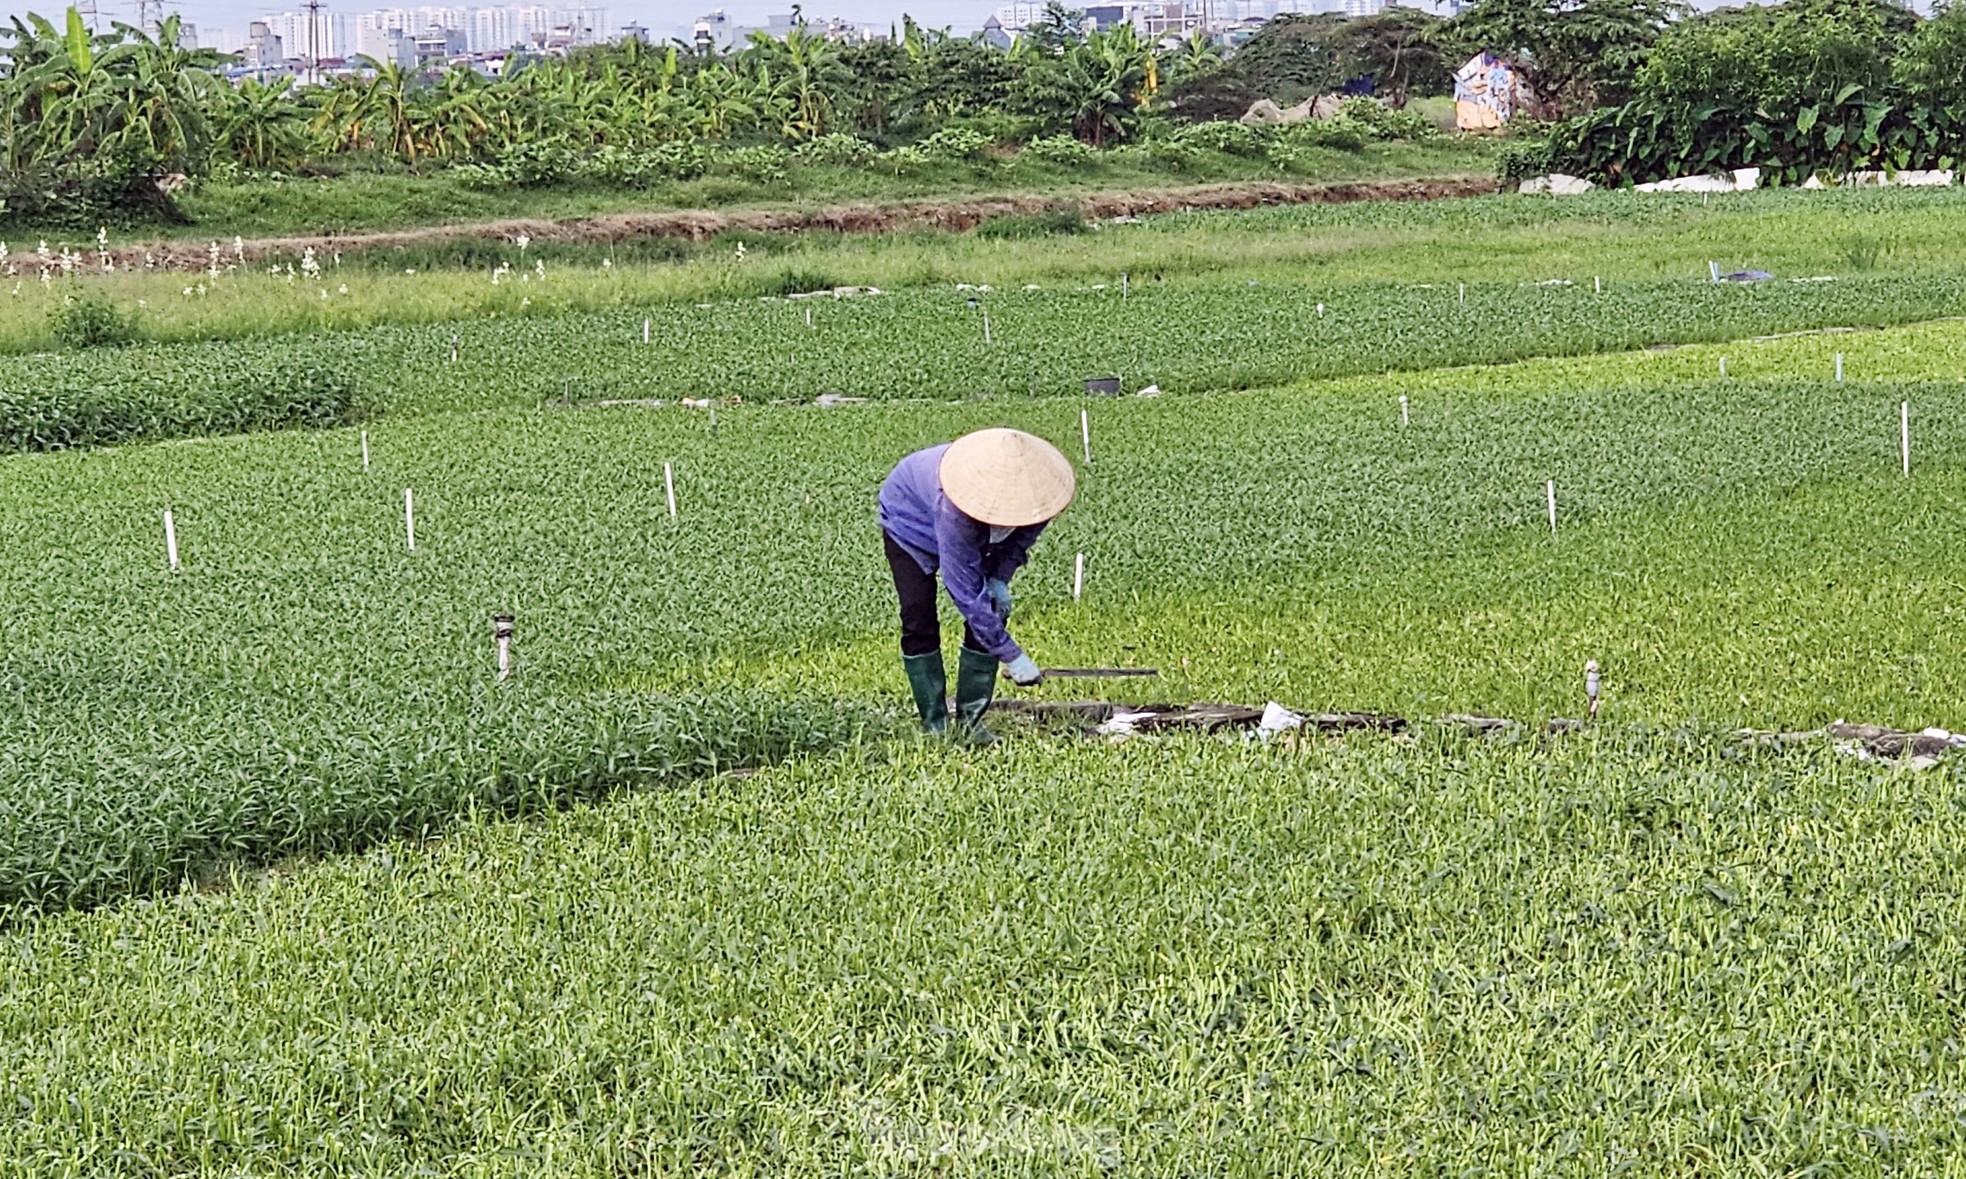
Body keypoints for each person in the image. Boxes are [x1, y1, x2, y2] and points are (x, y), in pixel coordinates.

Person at [877, 427, 1077, 741]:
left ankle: (971, 721)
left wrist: (999, 578)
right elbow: (966, 593)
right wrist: (1010, 654)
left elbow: (1019, 542)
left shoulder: (1038, 496)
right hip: (909, 524)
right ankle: (935, 723)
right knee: (918, 617)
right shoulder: (955, 507)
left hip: (977, 535)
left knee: (992, 608)